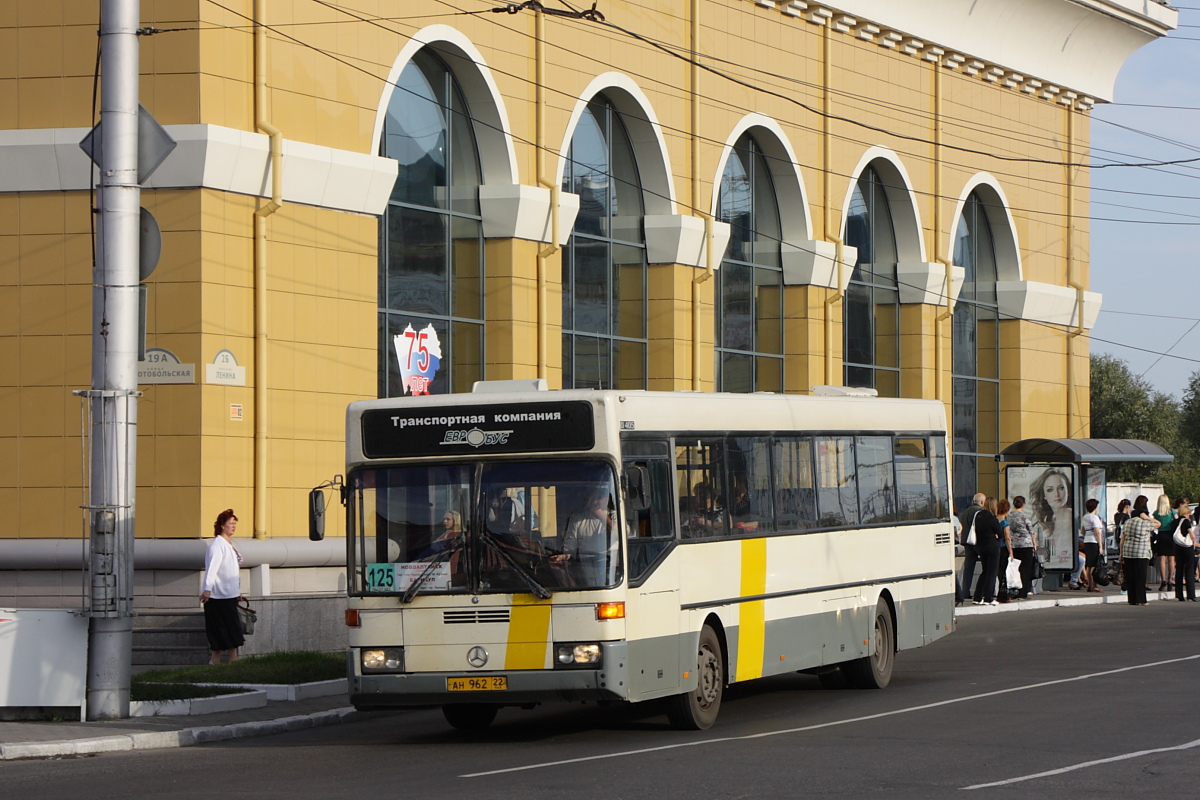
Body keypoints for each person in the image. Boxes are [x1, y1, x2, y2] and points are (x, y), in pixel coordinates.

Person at [200, 508, 245, 665]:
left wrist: (237, 591)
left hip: (229, 593)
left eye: (234, 523)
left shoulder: (229, 544)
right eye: (230, 523)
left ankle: (229, 658)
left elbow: (231, 571)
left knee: (231, 625)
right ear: (222, 525)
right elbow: (212, 568)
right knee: (219, 626)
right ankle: (219, 658)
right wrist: (207, 589)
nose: (233, 526)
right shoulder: (217, 545)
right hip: (217, 595)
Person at [553, 491, 614, 584]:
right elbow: (570, 548)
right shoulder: (578, 519)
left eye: (600, 498)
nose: (596, 501)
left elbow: (620, 533)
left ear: (607, 499)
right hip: (586, 569)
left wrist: (601, 516)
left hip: (610, 567)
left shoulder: (615, 516)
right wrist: (562, 556)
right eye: (594, 498)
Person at [958, 493, 1004, 606]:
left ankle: (976, 597)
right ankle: (989, 597)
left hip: (979, 545)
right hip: (992, 546)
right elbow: (1000, 532)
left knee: (983, 571)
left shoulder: (976, 515)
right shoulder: (991, 518)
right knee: (992, 572)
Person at [1029, 468, 1073, 572]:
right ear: (1044, 495)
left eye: (1061, 488)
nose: (1056, 494)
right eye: (1050, 490)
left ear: (1068, 491)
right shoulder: (1051, 518)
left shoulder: (1068, 514)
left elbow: (1062, 549)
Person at [1121, 496, 1155, 606]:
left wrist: (1121, 554)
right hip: (1141, 552)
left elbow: (1122, 540)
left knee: (1130, 577)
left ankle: (1132, 599)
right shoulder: (1145, 523)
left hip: (1128, 552)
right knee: (1141, 577)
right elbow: (1158, 523)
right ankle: (1141, 599)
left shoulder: (1127, 523)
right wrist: (1147, 518)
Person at [1007, 496, 1037, 599]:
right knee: (1026, 568)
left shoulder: (1009, 515)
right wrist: (1034, 543)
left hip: (1015, 544)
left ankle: (1015, 590)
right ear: (1023, 504)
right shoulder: (1025, 516)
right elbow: (1031, 531)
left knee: (1016, 568)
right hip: (1026, 544)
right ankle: (1023, 592)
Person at [1171, 499, 1196, 602]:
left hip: (1178, 548)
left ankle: (1179, 594)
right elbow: (1192, 534)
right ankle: (1191, 595)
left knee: (1179, 570)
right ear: (1186, 513)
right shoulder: (1186, 521)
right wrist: (1194, 542)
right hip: (1187, 548)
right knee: (1189, 570)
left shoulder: (1174, 522)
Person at [1080, 498, 1105, 593]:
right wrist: (1100, 546)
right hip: (1094, 542)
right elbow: (1097, 532)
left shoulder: (1085, 517)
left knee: (1089, 565)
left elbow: (1082, 530)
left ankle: (1090, 585)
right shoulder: (1094, 517)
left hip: (1087, 541)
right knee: (1094, 565)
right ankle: (1093, 585)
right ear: (1095, 507)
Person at [1153, 493, 1176, 592]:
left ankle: (1163, 580)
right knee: (1171, 559)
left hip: (1161, 535)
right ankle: (1170, 579)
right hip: (1170, 536)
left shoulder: (1156, 513)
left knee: (1162, 559)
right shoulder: (1172, 512)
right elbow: (1176, 521)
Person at [995, 499, 1013, 602]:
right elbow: (1007, 537)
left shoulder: (994, 520)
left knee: (997, 572)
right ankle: (1003, 595)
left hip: (995, 547)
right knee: (1004, 573)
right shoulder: (1005, 523)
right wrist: (1010, 551)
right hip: (1003, 548)